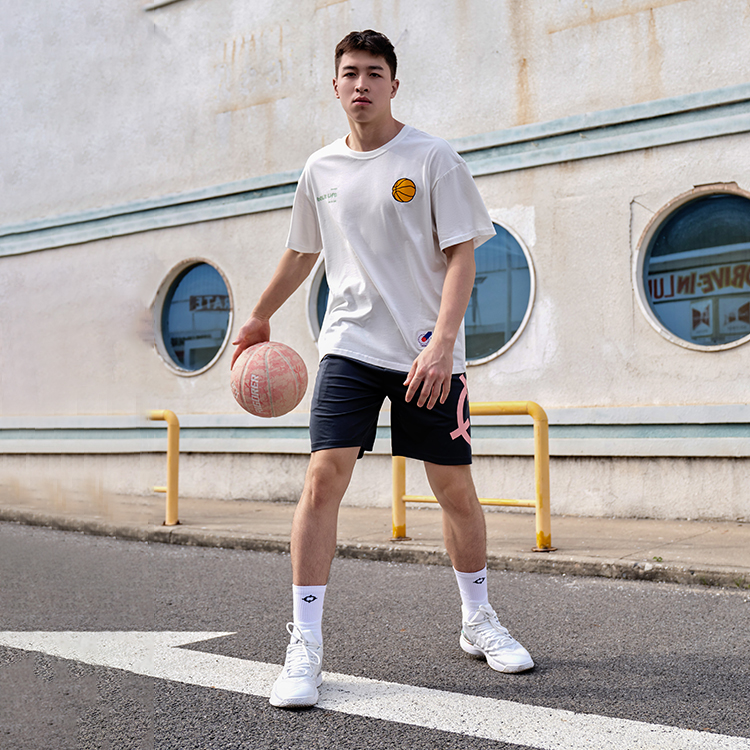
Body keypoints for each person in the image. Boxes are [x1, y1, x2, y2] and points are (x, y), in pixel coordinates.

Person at [231, 29, 534, 709]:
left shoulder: (432, 158)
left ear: (393, 85)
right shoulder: (320, 169)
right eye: (350, 72)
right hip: (349, 346)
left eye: (374, 72)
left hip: (429, 351)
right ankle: (305, 645)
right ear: (335, 86)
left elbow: (462, 254)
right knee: (322, 478)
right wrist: (257, 316)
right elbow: (301, 253)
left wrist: (443, 343)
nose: (361, 83)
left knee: (453, 489)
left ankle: (478, 618)